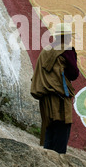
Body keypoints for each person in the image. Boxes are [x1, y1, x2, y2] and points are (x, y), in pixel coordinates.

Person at [31, 23, 79, 154]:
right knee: (63, 126)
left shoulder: (45, 51)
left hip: (45, 95)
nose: (70, 39)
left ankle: (47, 159)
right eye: (69, 36)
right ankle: (58, 160)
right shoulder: (66, 50)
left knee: (49, 127)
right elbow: (74, 73)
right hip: (60, 96)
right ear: (66, 36)